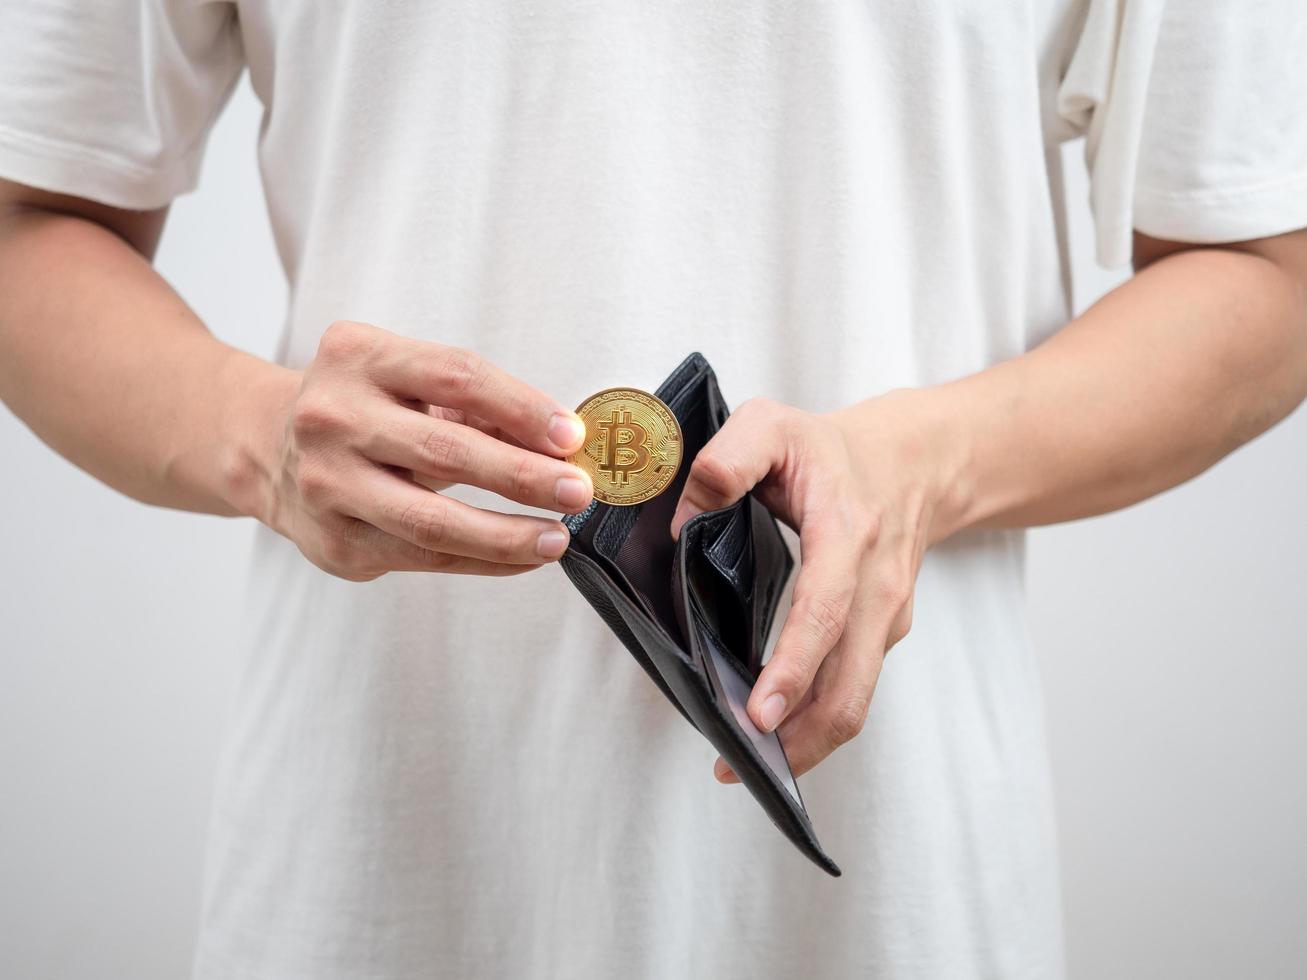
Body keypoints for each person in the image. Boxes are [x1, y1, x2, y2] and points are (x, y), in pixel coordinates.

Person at [2, 1, 1305, 976]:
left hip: (893, 886)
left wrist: (924, 464)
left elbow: (1269, 263)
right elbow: (30, 210)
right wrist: (253, 430)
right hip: (377, 865)